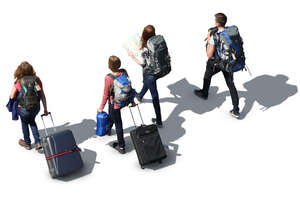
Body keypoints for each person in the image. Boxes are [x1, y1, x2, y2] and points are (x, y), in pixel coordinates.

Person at [194, 13, 240, 118]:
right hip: (229, 62)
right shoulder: (230, 31)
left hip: (218, 62)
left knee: (207, 74)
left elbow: (209, 55)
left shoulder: (216, 36)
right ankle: (236, 110)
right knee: (231, 84)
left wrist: (210, 39)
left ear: (217, 22)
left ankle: (204, 93)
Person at [98, 55, 135, 154]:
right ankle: (108, 129)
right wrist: (132, 101)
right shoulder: (124, 72)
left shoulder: (108, 78)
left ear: (109, 66)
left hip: (114, 103)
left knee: (118, 124)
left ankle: (121, 147)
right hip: (125, 100)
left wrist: (101, 107)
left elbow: (106, 94)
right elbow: (129, 87)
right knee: (112, 115)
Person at [128, 25, 163, 128]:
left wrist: (132, 56)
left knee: (154, 95)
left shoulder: (146, 48)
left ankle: (159, 121)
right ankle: (139, 97)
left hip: (150, 73)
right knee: (147, 84)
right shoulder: (157, 42)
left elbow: (142, 63)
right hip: (159, 70)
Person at [9, 61, 48, 150]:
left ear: (19, 71)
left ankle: (27, 143)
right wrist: (45, 109)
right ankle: (37, 142)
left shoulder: (18, 81)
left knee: (25, 122)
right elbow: (42, 95)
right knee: (32, 121)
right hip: (35, 108)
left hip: (23, 109)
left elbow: (12, 96)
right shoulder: (37, 79)